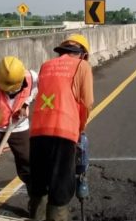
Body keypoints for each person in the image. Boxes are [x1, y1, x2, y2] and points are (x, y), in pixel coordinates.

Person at [29, 34, 94, 221]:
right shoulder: (82, 66)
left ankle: (36, 216)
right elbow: (87, 102)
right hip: (64, 132)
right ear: (83, 54)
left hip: (37, 131)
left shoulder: (46, 65)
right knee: (60, 185)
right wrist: (80, 128)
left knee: (39, 183)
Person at [0, 56, 38, 193]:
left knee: (27, 160)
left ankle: (35, 199)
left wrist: (25, 104)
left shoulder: (32, 77)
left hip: (18, 125)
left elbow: (35, 90)